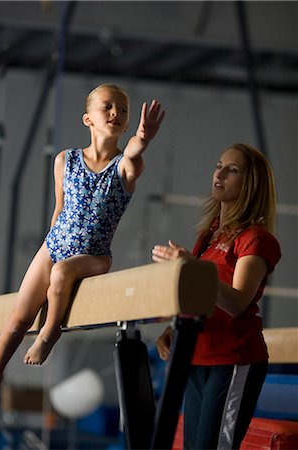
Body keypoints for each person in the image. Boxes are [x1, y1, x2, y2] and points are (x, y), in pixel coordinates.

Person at [0, 83, 165, 418]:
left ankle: (51, 330)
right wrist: (49, 248)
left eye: (122, 109)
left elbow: (134, 151)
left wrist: (143, 139)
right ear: (87, 118)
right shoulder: (65, 160)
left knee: (62, 273)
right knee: (18, 318)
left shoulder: (125, 167)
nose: (116, 113)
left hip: (95, 256)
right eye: (107, 107)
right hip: (55, 245)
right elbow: (59, 209)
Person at [152, 143, 281, 450]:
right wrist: (172, 329)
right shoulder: (209, 235)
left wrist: (193, 267)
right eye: (218, 165)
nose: (219, 173)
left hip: (233, 358)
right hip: (198, 355)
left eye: (232, 170)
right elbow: (200, 297)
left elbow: (237, 302)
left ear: (250, 183)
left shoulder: (256, 239)